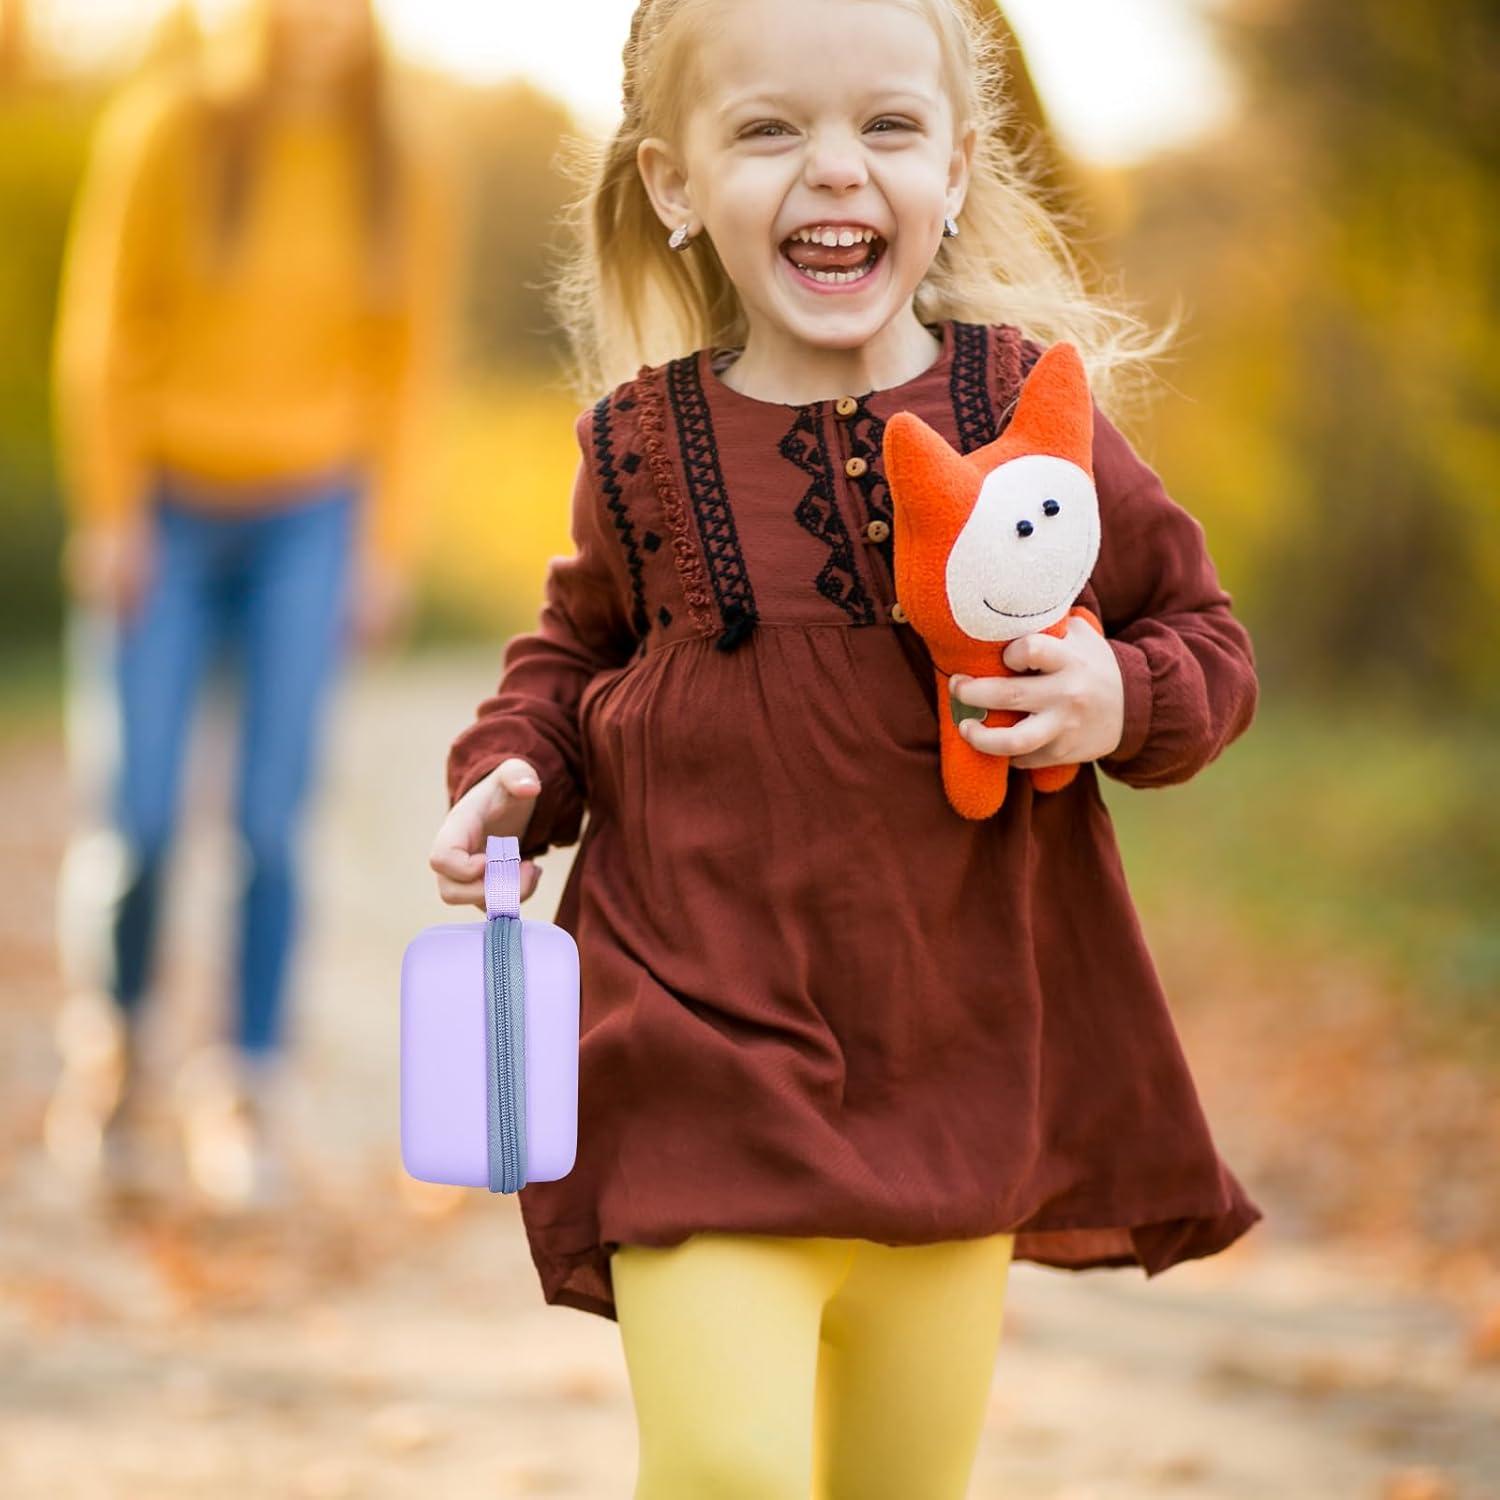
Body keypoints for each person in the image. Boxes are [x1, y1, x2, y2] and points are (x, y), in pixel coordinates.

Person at [430, 0, 1261, 1494]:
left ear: (952, 167)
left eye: (886, 125)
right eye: (768, 129)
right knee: (731, 1470)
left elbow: (1204, 638)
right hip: (692, 1048)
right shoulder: (637, 449)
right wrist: (512, 774)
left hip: (955, 1064)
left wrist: (1116, 695)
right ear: (676, 183)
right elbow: (574, 655)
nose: (833, 170)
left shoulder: (1032, 418)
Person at [47, 0, 456, 1209]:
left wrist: (383, 545)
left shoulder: (401, 154)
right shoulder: (171, 124)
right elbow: (105, 329)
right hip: (166, 503)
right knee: (143, 808)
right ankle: (116, 1057)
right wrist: (113, 510)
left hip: (311, 513)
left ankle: (247, 1085)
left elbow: (407, 360)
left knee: (273, 818)